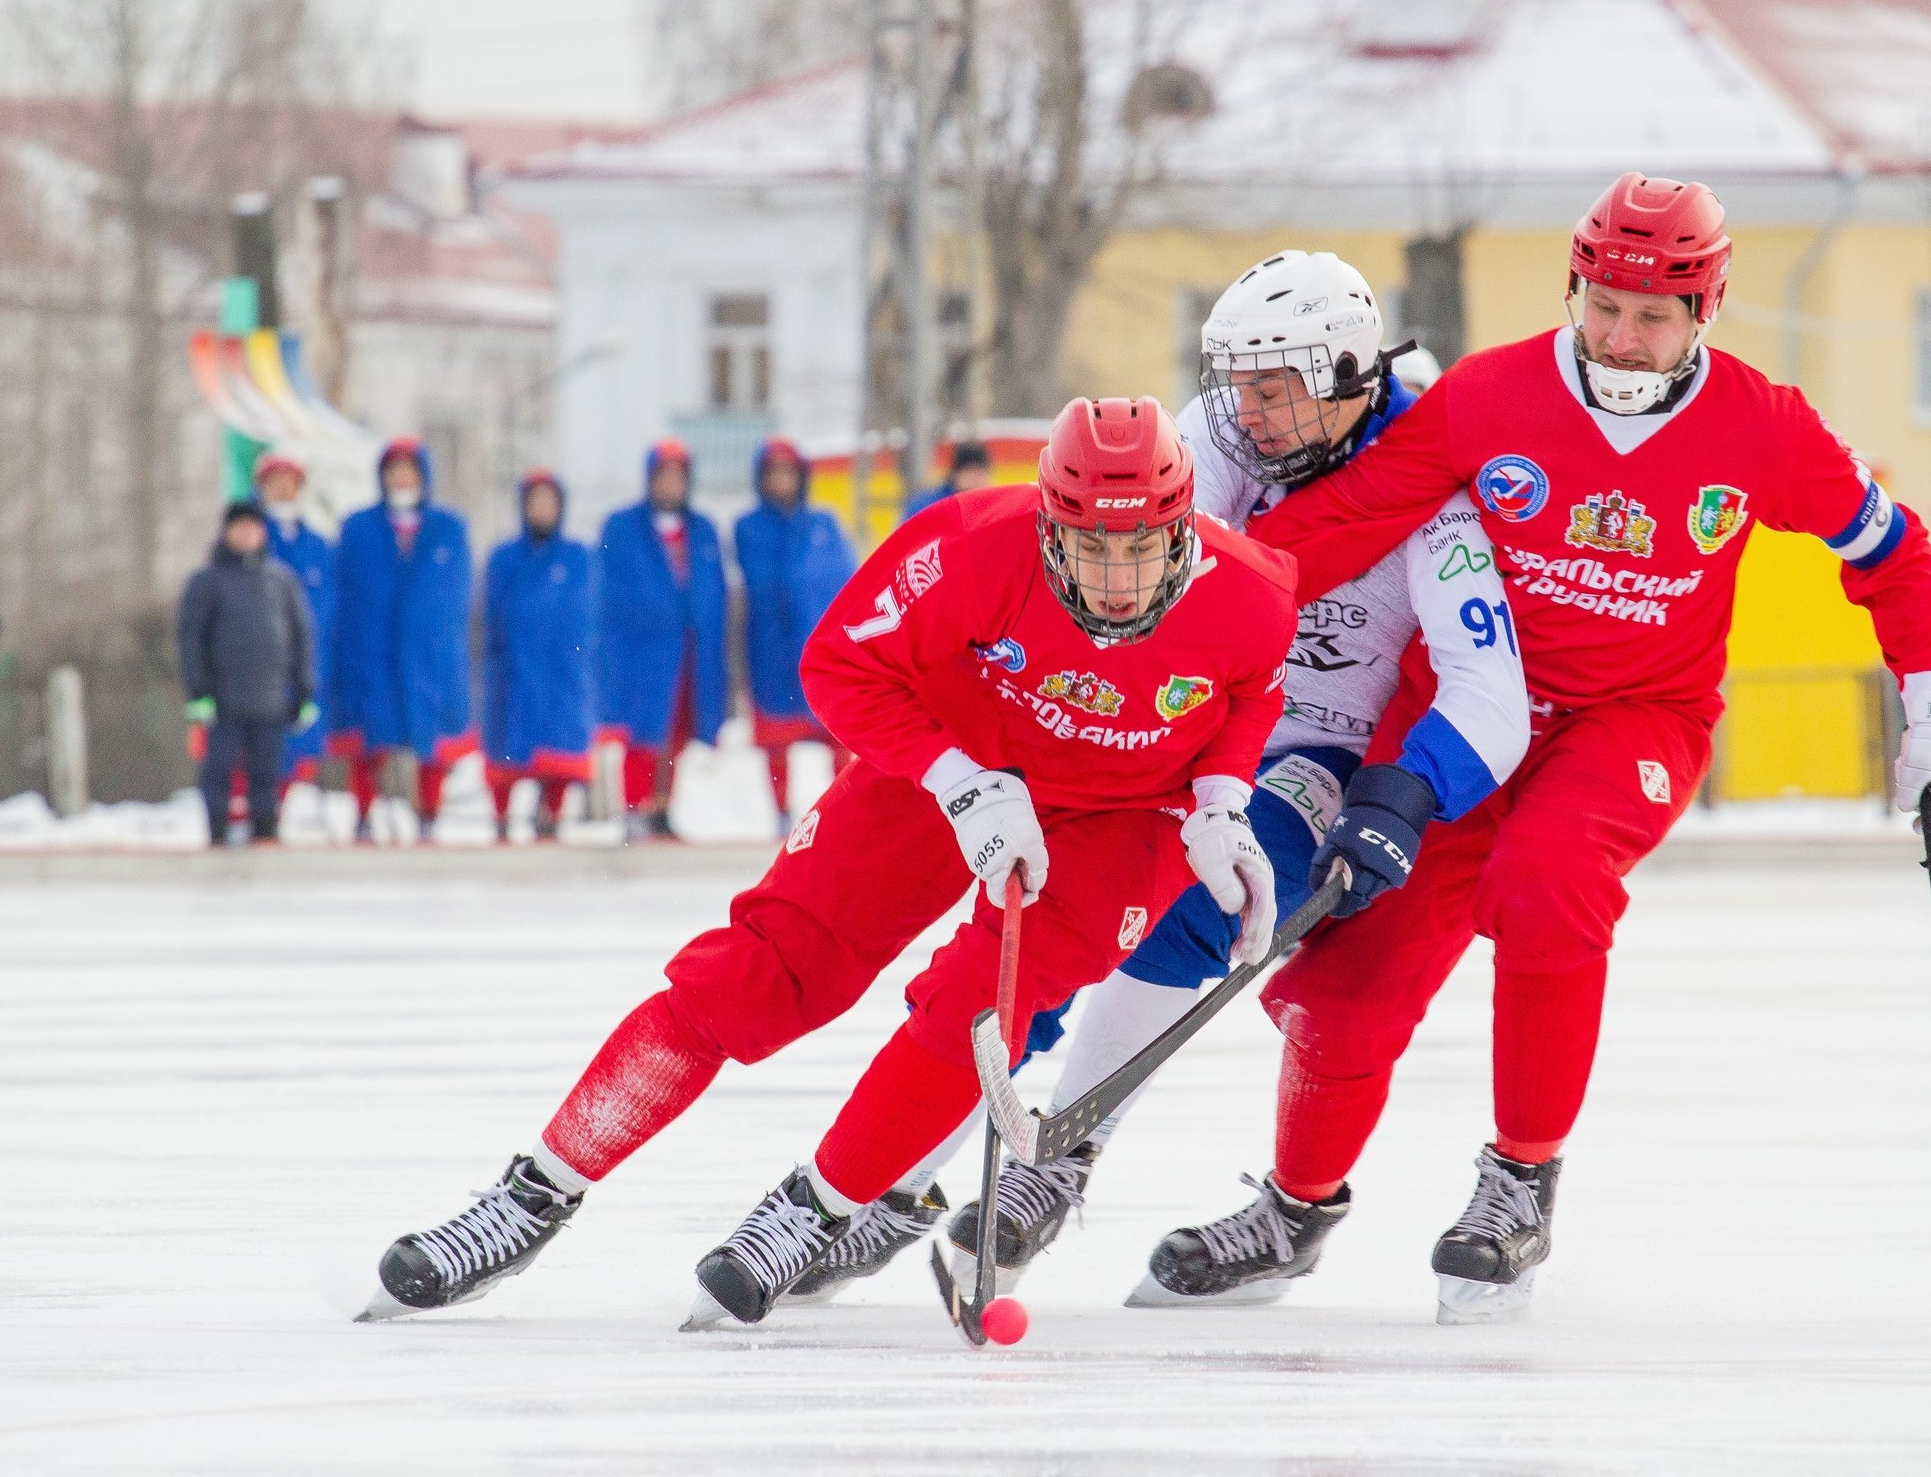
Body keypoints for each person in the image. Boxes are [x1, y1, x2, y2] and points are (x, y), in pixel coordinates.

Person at [1163, 173, 1931, 1323]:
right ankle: (1293, 1212)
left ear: (1707, 311)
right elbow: (1334, 525)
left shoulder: (1762, 425)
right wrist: (1174, 618)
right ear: (1572, 288)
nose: (1620, 338)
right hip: (1459, 725)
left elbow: (1887, 548)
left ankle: (1518, 1183)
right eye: (1601, 306)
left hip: (1631, 722)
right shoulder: (1489, 396)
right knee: (1344, 983)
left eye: (1652, 317)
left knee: (1545, 886)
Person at [363, 397, 1298, 1328]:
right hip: (948, 755)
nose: (1118, 582)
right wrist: (961, 782)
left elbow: (1251, 693)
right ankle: (533, 1193)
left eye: (1140, 550)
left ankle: (812, 1212)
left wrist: (1220, 805)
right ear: (1050, 527)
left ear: (1184, 534)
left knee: (985, 1003)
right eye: (1091, 550)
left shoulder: (1252, 591)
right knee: (764, 968)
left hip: (1121, 810)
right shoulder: (971, 543)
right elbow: (835, 666)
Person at [800, 254, 1532, 1305]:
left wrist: (1402, 795)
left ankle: (1060, 1159)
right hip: (1164, 723)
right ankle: (891, 1183)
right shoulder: (1213, 440)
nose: (1245, 410)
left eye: (1272, 385)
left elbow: (1489, 690)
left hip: (1308, 748)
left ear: (1341, 371)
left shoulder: (1430, 494)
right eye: (1234, 381)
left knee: (1192, 914)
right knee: (1021, 947)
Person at [330, 437, 474, 842]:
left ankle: (428, 815)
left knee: (431, 739)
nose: (401, 478)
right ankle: (362, 814)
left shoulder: (448, 529)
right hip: (371, 647)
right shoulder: (358, 528)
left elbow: (458, 593)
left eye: (409, 470)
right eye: (393, 471)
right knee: (368, 737)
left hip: (430, 652)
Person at [595, 438, 728, 839]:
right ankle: (634, 808)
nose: (671, 485)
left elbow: (714, 590)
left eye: (678, 476)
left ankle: (664, 807)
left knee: (678, 733)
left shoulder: (702, 530)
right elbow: (607, 592)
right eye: (664, 476)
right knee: (641, 734)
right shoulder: (622, 527)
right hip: (639, 652)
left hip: (690, 650)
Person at [177, 501, 318, 847]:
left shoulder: (280, 580)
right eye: (240, 528)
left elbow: (300, 636)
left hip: (270, 699)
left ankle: (265, 829)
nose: (247, 534)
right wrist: (198, 693)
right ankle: (218, 830)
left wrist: (303, 691)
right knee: (219, 770)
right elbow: (191, 639)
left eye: (253, 528)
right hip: (224, 699)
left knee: (267, 772)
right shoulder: (207, 582)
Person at [733, 436, 856, 830]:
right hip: (770, 646)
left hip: (820, 644)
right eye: (774, 473)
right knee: (776, 737)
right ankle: (782, 812)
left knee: (836, 735)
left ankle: (840, 812)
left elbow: (846, 579)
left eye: (788, 472)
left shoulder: (824, 523)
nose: (782, 481)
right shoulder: (747, 528)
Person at [480, 470, 597, 841]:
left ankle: (551, 815)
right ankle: (500, 819)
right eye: (536, 501)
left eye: (549, 502)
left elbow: (587, 613)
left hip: (561, 669)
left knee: (557, 752)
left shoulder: (577, 557)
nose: (542, 509)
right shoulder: (504, 557)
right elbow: (492, 615)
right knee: (506, 751)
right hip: (512, 670)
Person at [254, 451, 338, 824]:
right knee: (259, 747)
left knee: (298, 747)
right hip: (262, 664)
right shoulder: (253, 539)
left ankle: (277, 813)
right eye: (276, 483)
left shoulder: (318, 545)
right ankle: (258, 815)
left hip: (306, 662)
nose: (284, 491)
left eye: (291, 483)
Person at [905, 438, 996, 518]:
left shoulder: (992, 507)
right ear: (956, 473)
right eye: (970, 473)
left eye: (980, 474)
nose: (976, 481)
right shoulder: (928, 505)